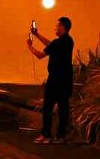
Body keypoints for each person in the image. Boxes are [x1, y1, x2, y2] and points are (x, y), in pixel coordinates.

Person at [27, 16, 74, 144]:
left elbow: (40, 55)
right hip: (66, 80)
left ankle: (46, 135)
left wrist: (29, 46)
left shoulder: (58, 43)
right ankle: (61, 136)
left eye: (57, 26)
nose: (55, 28)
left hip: (55, 79)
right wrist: (37, 35)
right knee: (63, 108)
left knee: (47, 107)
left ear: (63, 27)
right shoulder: (68, 41)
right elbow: (50, 44)